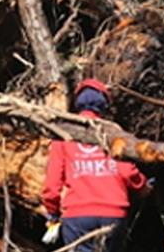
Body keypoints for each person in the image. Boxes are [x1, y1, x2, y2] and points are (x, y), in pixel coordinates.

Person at [41, 79, 152, 252]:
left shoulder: (64, 133)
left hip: (77, 216)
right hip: (113, 213)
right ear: (104, 104)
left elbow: (52, 183)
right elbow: (128, 172)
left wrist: (52, 212)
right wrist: (143, 185)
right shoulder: (113, 132)